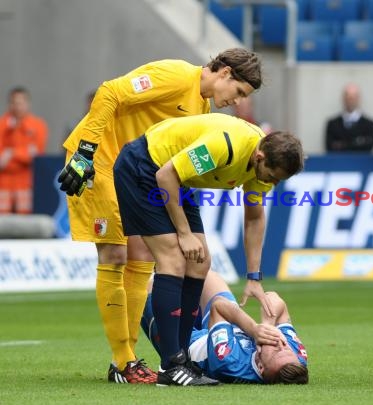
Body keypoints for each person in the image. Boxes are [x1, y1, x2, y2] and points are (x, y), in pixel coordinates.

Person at [57, 48, 264, 384]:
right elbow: (110, 91)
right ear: (225, 72)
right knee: (115, 251)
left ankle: (125, 360)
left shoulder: (202, 105)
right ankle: (124, 361)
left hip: (137, 173)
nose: (238, 102)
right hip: (102, 160)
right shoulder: (175, 75)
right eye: (239, 92)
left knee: (141, 255)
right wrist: (85, 151)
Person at [113, 113, 305, 386]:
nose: (270, 185)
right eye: (271, 177)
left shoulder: (262, 165)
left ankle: (182, 357)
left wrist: (253, 277)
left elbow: (253, 217)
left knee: (200, 262)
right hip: (143, 165)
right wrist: (184, 233)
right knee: (174, 260)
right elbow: (165, 175)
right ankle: (171, 366)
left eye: (277, 182)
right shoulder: (224, 146)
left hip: (176, 179)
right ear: (260, 157)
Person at [141, 271, 309, 384]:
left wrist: (253, 330)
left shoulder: (230, 362)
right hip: (225, 326)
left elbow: (218, 307)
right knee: (202, 272)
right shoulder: (296, 358)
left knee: (155, 284)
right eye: (285, 347)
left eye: (275, 351)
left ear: (260, 366)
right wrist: (267, 326)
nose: (280, 344)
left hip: (188, 342)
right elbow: (274, 298)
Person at [0, 87, 48, 214]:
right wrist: (24, 153)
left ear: (27, 104)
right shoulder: (2, 125)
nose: (17, 107)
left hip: (26, 182)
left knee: (25, 222)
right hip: (3, 183)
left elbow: (36, 156)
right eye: (14, 103)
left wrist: (10, 153)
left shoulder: (38, 125)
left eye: (20, 103)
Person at [325, 83, 373, 153]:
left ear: (358, 98)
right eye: (348, 96)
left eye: (353, 97)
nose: (350, 100)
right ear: (343, 98)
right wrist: (357, 142)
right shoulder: (332, 124)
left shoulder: (370, 125)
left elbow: (369, 147)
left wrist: (342, 144)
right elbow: (329, 147)